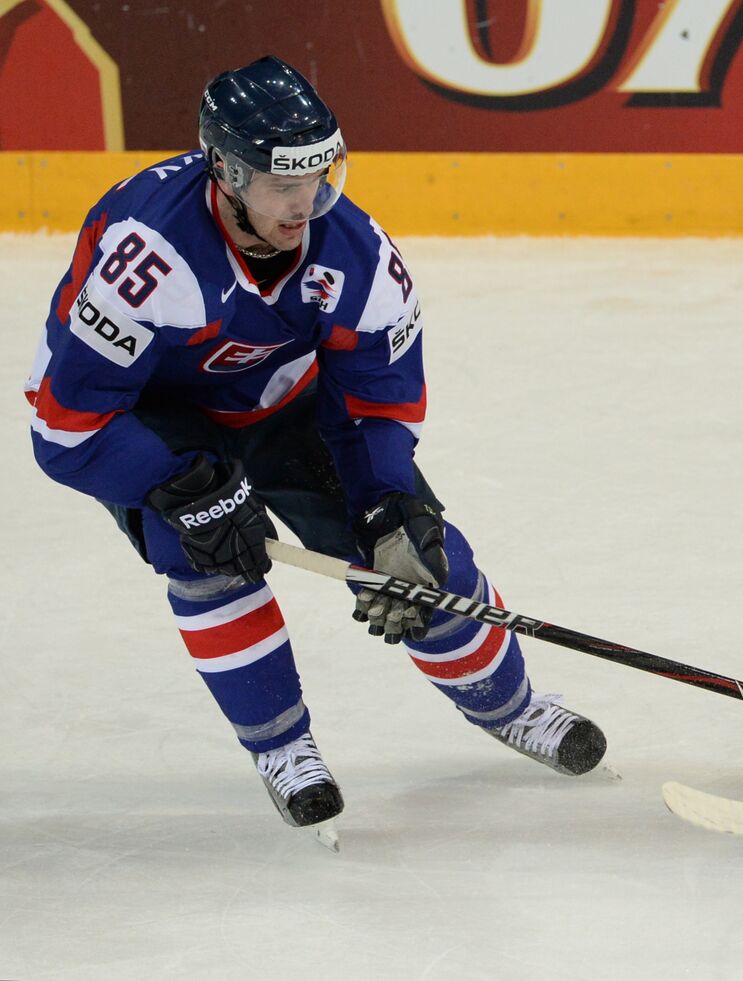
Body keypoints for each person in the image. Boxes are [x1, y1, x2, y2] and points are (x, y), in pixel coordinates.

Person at [24, 56, 607, 845]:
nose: (310, 203)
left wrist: (388, 500)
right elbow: (68, 426)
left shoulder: (356, 253)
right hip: (146, 417)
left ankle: (511, 706)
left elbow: (375, 399)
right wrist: (179, 485)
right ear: (227, 174)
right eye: (283, 186)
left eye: (321, 176)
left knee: (420, 553)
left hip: (283, 402)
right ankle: (281, 745)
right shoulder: (151, 255)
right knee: (206, 552)